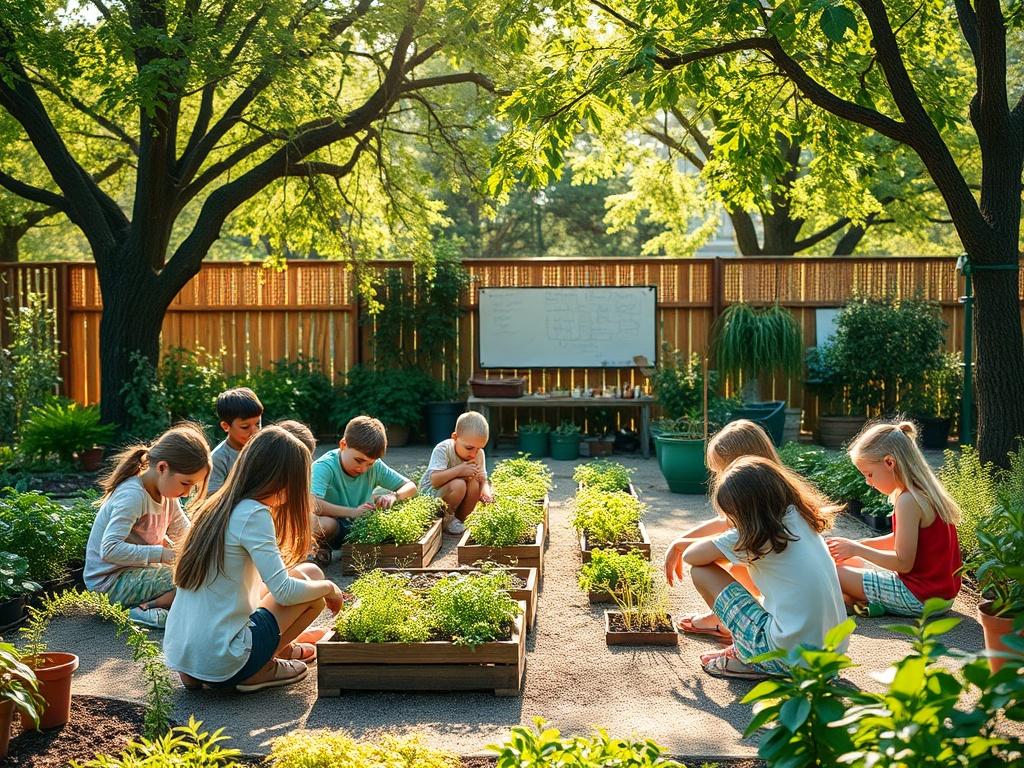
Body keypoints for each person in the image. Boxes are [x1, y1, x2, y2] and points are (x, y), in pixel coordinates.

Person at [164, 426, 346, 693]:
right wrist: (331, 588)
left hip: (185, 660)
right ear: (284, 479)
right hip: (224, 662)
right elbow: (283, 592)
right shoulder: (253, 513)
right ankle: (261, 667)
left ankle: (276, 650)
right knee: (315, 596)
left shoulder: (216, 506)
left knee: (309, 572)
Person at [682, 456, 846, 680]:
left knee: (702, 571)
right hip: (829, 657)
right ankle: (746, 644)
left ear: (746, 512)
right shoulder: (798, 516)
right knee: (740, 567)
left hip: (786, 657)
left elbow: (692, 556)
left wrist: (729, 536)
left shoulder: (758, 534)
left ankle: (748, 657)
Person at [827, 420, 962, 616]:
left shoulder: (908, 501)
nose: (868, 482)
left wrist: (857, 549)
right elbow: (897, 540)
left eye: (869, 474)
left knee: (833, 574)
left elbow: (903, 563)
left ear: (890, 462)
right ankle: (857, 603)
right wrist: (858, 544)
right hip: (941, 598)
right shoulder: (923, 494)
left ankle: (852, 603)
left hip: (918, 598)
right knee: (849, 563)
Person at [83, 423, 210, 629]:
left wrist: (207, 551)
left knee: (200, 576)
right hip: (109, 584)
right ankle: (139, 611)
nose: (187, 493)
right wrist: (161, 554)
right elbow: (109, 549)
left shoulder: (167, 493)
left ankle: (155, 607)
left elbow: (184, 533)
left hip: (139, 574)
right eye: (185, 483)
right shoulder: (133, 495)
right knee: (188, 578)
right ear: (162, 468)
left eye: (192, 486)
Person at [664, 420, 780, 641]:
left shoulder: (760, 500)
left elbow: (721, 541)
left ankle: (726, 620)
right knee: (734, 562)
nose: (721, 477)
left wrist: (682, 545)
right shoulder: (775, 492)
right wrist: (680, 539)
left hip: (781, 630)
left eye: (723, 469)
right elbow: (727, 521)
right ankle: (719, 617)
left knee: (708, 564)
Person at [309, 416, 417, 563]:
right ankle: (320, 547)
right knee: (319, 523)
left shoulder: (375, 467)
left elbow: (410, 486)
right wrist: (353, 512)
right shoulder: (324, 466)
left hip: (361, 528)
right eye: (358, 461)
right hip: (333, 527)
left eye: (370, 464)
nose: (363, 469)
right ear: (343, 445)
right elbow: (313, 503)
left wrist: (393, 496)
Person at [419, 411, 494, 534]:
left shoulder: (478, 454)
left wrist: (486, 495)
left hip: (455, 497)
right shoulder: (443, 449)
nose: (474, 454)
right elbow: (434, 480)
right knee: (459, 484)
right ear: (455, 438)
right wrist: (460, 470)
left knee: (474, 482)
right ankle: (444, 520)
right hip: (431, 495)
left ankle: (460, 520)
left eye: (479, 448)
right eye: (469, 448)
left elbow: (483, 480)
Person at [209, 387, 264, 493]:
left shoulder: (263, 449)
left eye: (258, 424)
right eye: (245, 427)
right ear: (226, 426)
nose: (255, 432)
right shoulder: (218, 459)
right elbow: (211, 499)